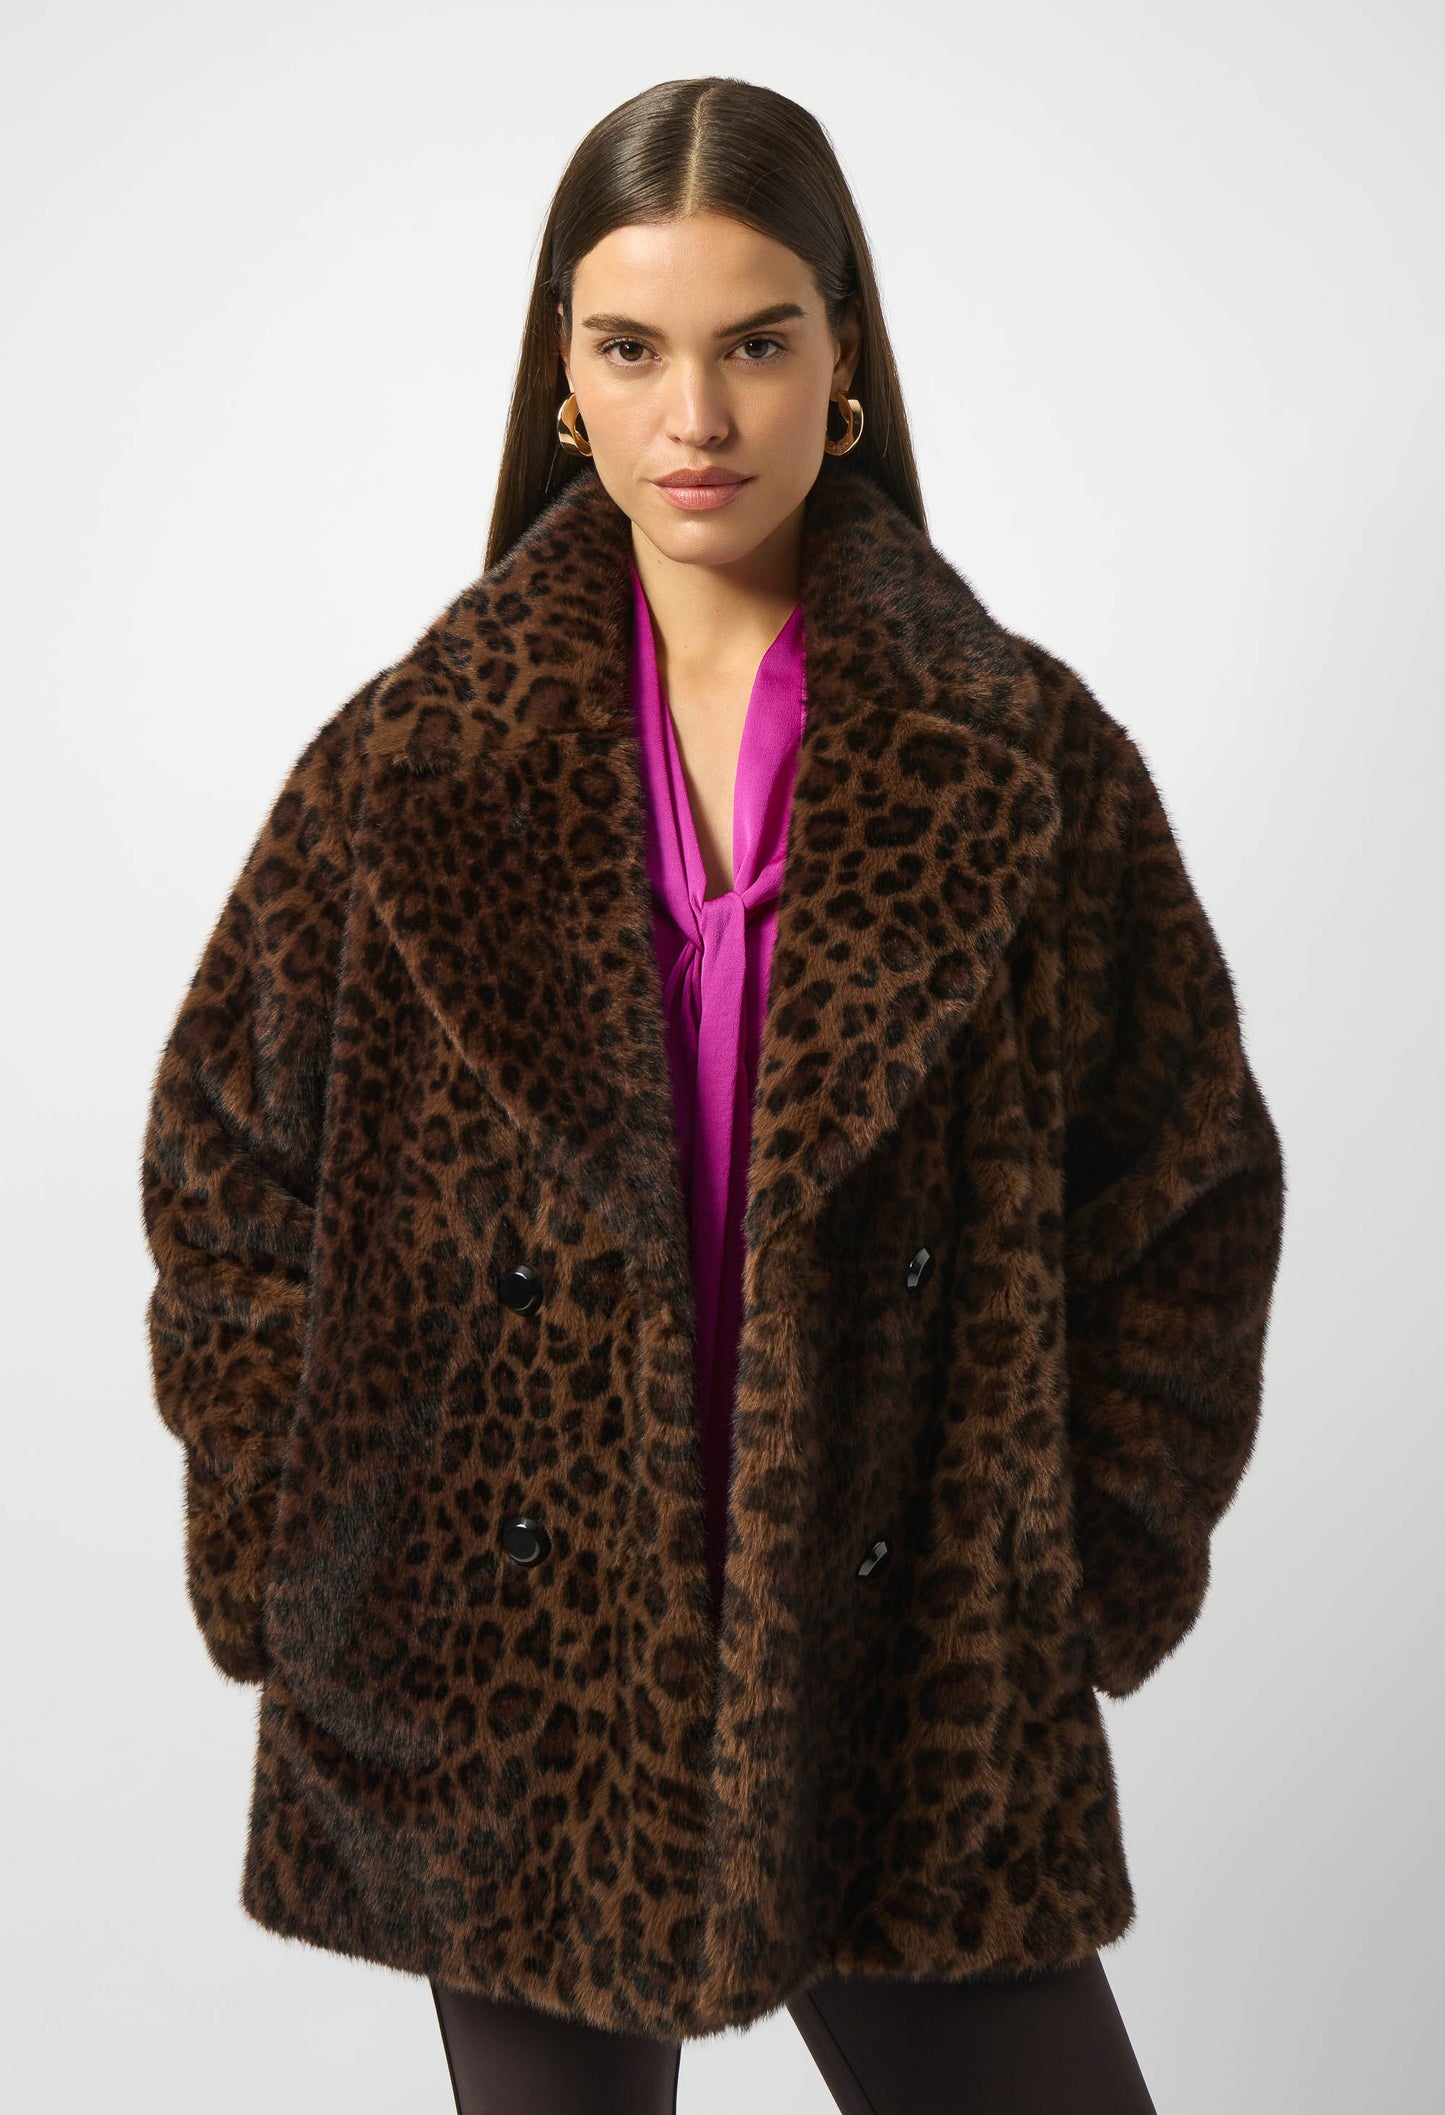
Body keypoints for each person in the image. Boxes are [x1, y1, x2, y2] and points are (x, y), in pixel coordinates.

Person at [139, 74, 1285, 2115]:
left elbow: (1181, 1187)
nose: (695, 415)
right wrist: (286, 1559)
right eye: (631, 348)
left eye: (755, 342)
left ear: (845, 364)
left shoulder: (1022, 760)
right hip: (503, 1684)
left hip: (900, 1671)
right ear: (561, 379)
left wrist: (1074, 1580)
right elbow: (226, 1166)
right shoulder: (408, 770)